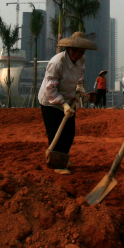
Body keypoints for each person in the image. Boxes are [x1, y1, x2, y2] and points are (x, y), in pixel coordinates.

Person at [38, 32, 97, 168]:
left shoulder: (82, 59)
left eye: (81, 51)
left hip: (69, 98)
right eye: (74, 50)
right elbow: (51, 89)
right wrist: (63, 104)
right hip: (50, 101)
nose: (77, 53)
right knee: (56, 134)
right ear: (68, 48)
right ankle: (56, 165)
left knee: (69, 133)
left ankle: (62, 159)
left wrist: (79, 86)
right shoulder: (57, 62)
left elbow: (80, 72)